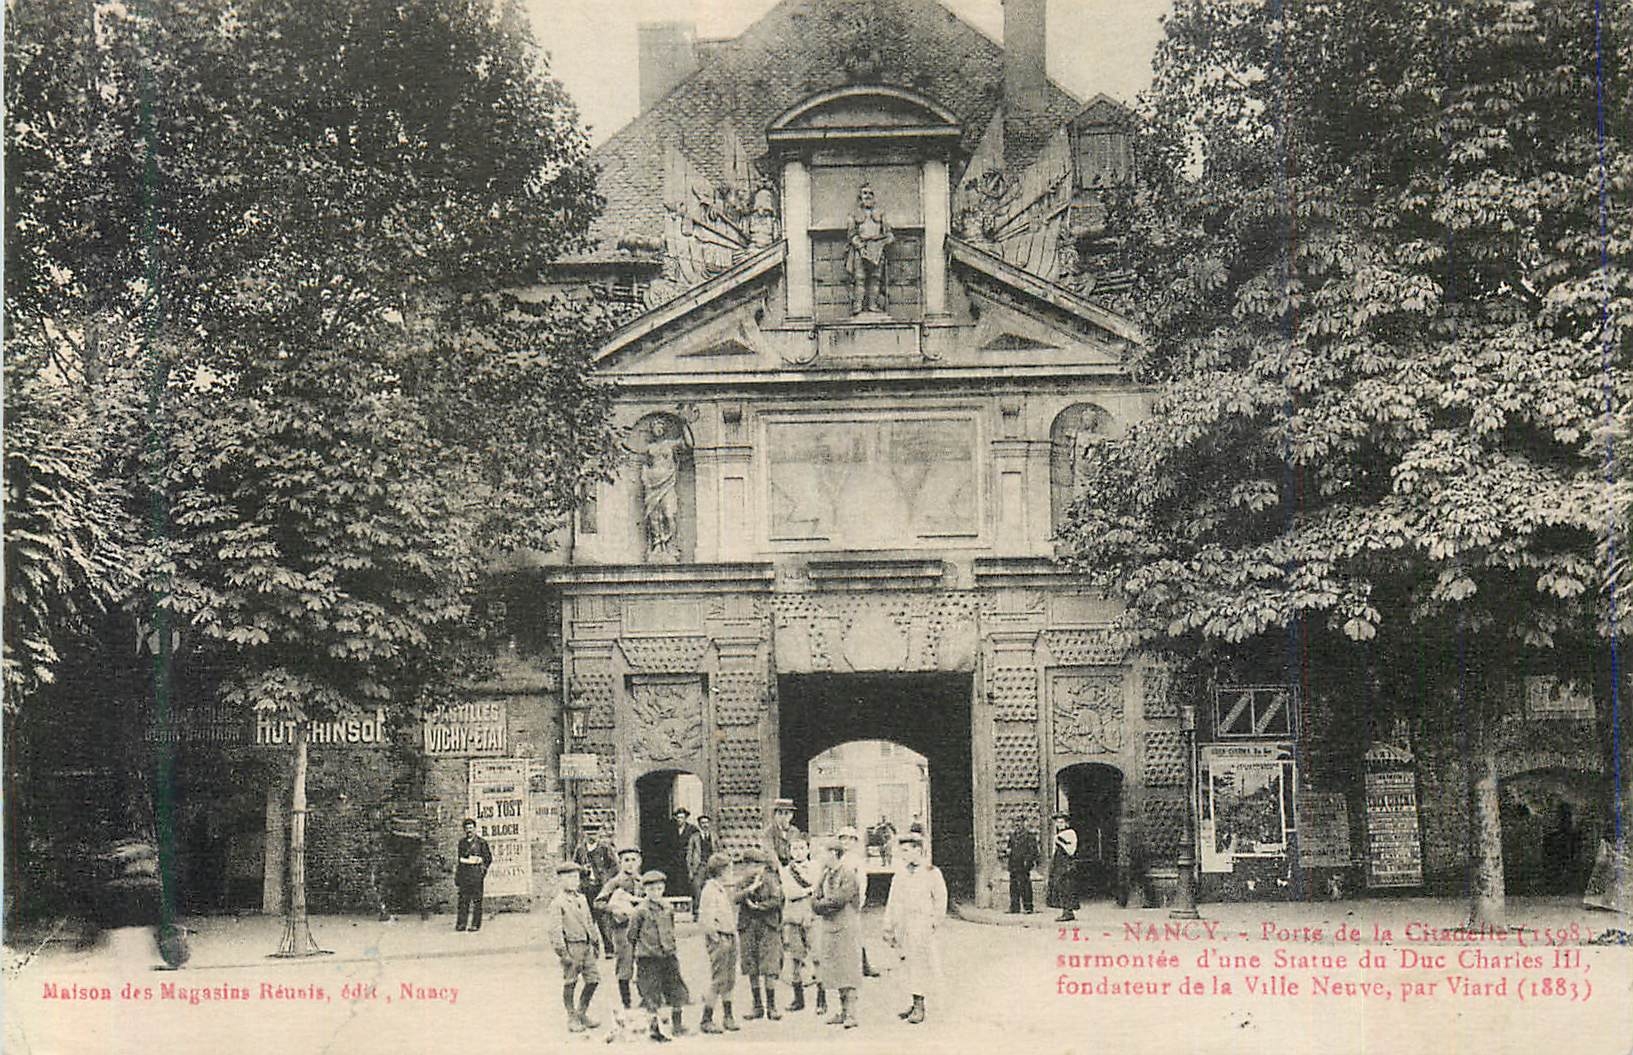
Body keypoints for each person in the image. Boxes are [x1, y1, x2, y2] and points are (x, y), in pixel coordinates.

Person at [883, 833, 947, 1025]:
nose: (902, 855)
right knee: (907, 964)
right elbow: (892, 902)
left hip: (922, 924)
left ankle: (920, 1005)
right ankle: (913, 1001)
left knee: (921, 964)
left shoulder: (931, 872)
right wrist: (888, 927)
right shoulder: (900, 875)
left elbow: (941, 899)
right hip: (904, 924)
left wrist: (934, 922)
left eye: (906, 850)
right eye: (901, 850)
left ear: (918, 850)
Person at [629, 869, 691, 1042]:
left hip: (668, 956)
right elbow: (631, 935)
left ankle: (677, 1025)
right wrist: (641, 952)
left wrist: (670, 947)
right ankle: (655, 1030)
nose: (655, 892)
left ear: (663, 888)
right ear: (644, 891)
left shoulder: (667, 907)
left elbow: (670, 929)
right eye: (651, 889)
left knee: (675, 990)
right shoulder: (640, 911)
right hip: (649, 959)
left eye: (658, 888)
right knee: (652, 994)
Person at [811, 837, 862, 1029]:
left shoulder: (848, 874)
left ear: (833, 853)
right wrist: (821, 905)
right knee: (835, 969)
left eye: (823, 852)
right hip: (830, 927)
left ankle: (851, 1014)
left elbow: (839, 900)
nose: (820, 856)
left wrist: (822, 905)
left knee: (848, 968)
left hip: (846, 927)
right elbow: (814, 899)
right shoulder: (825, 874)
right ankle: (842, 1011)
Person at [546, 861, 602, 1033]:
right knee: (571, 982)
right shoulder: (558, 903)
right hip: (572, 947)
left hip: (586, 946)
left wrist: (595, 941)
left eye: (576, 877)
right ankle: (571, 1017)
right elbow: (555, 931)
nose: (573, 881)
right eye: (569, 877)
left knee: (593, 980)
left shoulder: (582, 898)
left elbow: (589, 921)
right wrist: (563, 953)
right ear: (560, 880)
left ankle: (581, 1012)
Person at [695, 852, 748, 1034]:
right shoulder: (709, 890)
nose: (731, 871)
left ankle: (728, 1016)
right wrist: (716, 938)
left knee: (729, 979)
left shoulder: (721, 888)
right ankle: (706, 1019)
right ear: (720, 870)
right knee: (718, 980)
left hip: (729, 936)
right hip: (720, 938)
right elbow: (706, 919)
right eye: (729, 868)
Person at [594, 846, 647, 1009]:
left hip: (642, 929)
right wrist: (615, 909)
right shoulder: (614, 882)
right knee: (625, 965)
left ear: (639, 861)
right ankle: (627, 1003)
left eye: (633, 860)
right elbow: (598, 903)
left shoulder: (642, 881)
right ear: (620, 862)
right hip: (622, 929)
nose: (630, 864)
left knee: (644, 963)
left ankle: (646, 1000)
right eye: (626, 860)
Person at [736, 847, 785, 1020]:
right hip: (748, 926)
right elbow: (735, 897)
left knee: (769, 966)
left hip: (767, 926)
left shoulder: (771, 880)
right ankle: (757, 1006)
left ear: (763, 865)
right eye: (748, 865)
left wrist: (759, 907)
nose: (753, 869)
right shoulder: (743, 882)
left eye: (757, 865)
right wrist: (750, 889)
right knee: (751, 966)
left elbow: (777, 900)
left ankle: (772, 1006)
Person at [779, 834, 819, 1013]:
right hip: (793, 918)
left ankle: (821, 999)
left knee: (817, 957)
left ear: (808, 849)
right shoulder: (786, 871)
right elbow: (790, 893)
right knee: (796, 958)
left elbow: (819, 888)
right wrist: (809, 890)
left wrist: (809, 890)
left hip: (812, 917)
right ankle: (798, 999)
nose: (798, 852)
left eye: (802, 848)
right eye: (794, 848)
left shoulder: (816, 867)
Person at [835, 826, 880, 977]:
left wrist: (860, 900)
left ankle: (864, 965)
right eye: (843, 838)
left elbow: (862, 881)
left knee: (856, 933)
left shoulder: (856, 860)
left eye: (849, 839)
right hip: (838, 899)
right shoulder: (836, 858)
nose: (846, 842)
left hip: (852, 900)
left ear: (854, 842)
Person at [845, 182, 894, 315]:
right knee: (859, 278)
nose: (867, 196)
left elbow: (889, 233)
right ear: (860, 196)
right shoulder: (853, 214)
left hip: (877, 249)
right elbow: (852, 234)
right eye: (865, 193)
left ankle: (873, 305)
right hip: (860, 249)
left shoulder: (881, 214)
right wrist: (860, 247)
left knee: (875, 278)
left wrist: (883, 243)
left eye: (870, 193)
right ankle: (858, 306)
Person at [575, 824, 620, 953]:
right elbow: (575, 866)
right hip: (586, 888)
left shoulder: (605, 848)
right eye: (589, 834)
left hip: (601, 889)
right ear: (584, 834)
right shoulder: (580, 849)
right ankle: (594, 950)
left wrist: (606, 877)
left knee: (604, 920)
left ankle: (609, 949)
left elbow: (615, 867)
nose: (592, 836)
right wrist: (582, 870)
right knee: (588, 920)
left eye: (594, 834)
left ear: (599, 834)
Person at [454, 818, 492, 932]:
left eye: (471, 828)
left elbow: (488, 858)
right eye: (467, 828)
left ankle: (475, 924)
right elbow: (459, 860)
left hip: (476, 875)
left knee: (477, 901)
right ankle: (461, 924)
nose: (469, 830)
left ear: (475, 829)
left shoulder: (481, 843)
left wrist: (482, 870)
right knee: (463, 901)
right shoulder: (462, 843)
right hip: (465, 875)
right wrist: (458, 875)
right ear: (464, 830)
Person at [1047, 811, 1079, 922]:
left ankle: (1068, 911)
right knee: (1060, 886)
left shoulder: (1070, 833)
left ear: (1066, 823)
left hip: (1066, 864)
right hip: (1059, 864)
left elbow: (1071, 850)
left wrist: (1060, 842)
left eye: (1061, 822)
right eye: (1057, 822)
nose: (1059, 824)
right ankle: (1065, 910)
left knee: (1067, 887)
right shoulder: (1058, 835)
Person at [1005, 821, 1040, 914]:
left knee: (1025, 886)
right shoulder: (1012, 836)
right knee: (1013, 886)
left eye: (1020, 823)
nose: (1018, 826)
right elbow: (1009, 848)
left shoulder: (1030, 836)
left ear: (1024, 824)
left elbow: (1034, 851)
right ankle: (1014, 907)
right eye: (1016, 824)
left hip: (1024, 865)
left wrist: (1028, 861)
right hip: (1013, 864)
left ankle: (1028, 907)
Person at [669, 807, 701, 902]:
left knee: (688, 880)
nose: (680, 820)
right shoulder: (671, 829)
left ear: (686, 818)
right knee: (675, 880)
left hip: (687, 859)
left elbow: (697, 845)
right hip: (675, 859)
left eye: (682, 817)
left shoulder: (692, 829)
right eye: (678, 818)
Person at [689, 815, 716, 915]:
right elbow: (689, 855)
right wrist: (691, 871)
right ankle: (697, 912)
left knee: (711, 889)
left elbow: (717, 851)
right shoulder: (694, 837)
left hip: (711, 866)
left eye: (706, 822)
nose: (705, 825)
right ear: (699, 824)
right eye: (702, 823)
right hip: (699, 867)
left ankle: (711, 912)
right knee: (697, 890)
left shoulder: (714, 836)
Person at [764, 798, 797, 866]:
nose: (783, 817)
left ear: (791, 815)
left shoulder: (795, 832)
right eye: (780, 813)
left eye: (786, 813)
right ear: (775, 815)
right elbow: (770, 852)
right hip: (774, 867)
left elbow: (797, 852)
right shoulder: (769, 832)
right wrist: (780, 868)